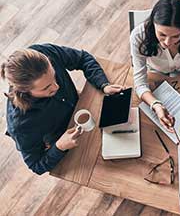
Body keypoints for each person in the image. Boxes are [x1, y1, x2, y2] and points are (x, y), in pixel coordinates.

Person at [1, 43, 124, 175]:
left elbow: (82, 58)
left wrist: (103, 85)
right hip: (66, 139)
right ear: (25, 91)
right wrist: (59, 146)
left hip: (82, 107)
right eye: (46, 88)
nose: (56, 87)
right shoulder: (21, 125)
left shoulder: (41, 53)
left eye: (54, 76)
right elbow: (36, 165)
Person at [130, 0, 180, 132]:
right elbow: (140, 82)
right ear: (153, 24)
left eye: (176, 36)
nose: (167, 42)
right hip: (155, 72)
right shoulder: (138, 37)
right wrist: (156, 105)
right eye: (162, 34)